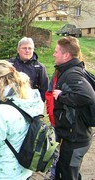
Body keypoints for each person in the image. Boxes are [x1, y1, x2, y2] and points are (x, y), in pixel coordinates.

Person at [52, 36, 95, 180]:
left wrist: (62, 96)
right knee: (68, 171)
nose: (53, 54)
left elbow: (88, 96)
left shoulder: (72, 73)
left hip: (76, 138)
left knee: (68, 175)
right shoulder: (72, 70)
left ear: (66, 55)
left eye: (56, 51)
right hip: (73, 135)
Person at [8, 37, 49, 102]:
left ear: (33, 50)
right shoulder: (9, 65)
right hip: (12, 103)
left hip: (31, 104)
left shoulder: (40, 67)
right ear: (18, 50)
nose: (27, 51)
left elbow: (44, 89)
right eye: (24, 48)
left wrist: (37, 103)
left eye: (30, 48)